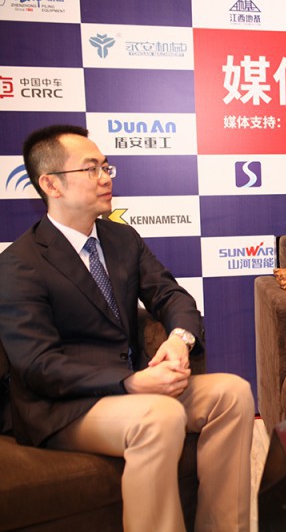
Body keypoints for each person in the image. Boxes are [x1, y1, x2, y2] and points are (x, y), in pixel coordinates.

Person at [0, 125, 254, 531]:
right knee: (158, 416)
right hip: (64, 407)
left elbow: (171, 296)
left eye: (106, 167)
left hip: (133, 387)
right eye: (91, 169)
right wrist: (129, 382)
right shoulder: (19, 264)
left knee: (232, 393)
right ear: (51, 184)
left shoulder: (122, 239)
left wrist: (179, 339)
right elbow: (37, 365)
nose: (105, 178)